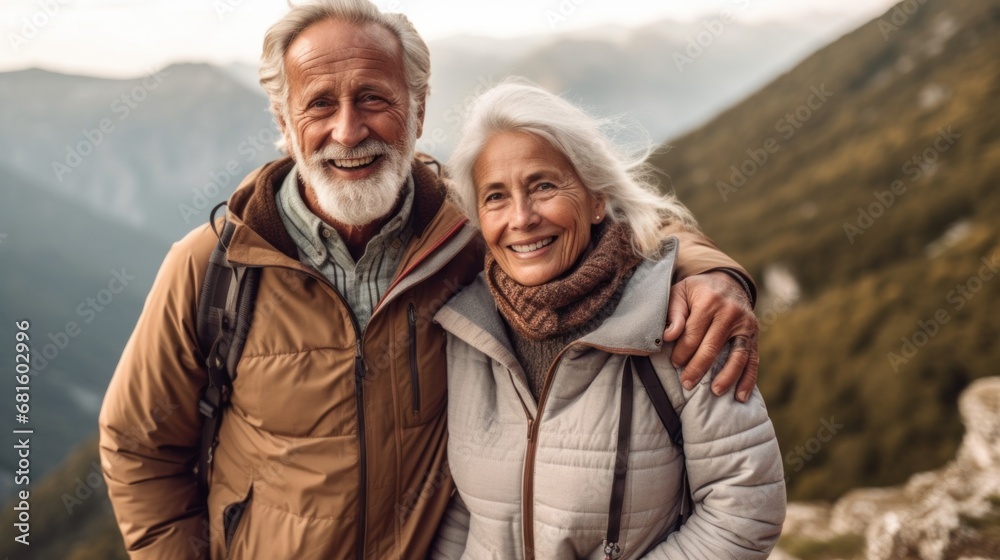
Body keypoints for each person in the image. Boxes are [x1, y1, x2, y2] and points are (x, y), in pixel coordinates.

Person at [98, 1, 762, 558]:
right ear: (283, 122)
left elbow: (608, 224)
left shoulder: (474, 238)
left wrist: (712, 273)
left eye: (374, 99)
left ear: (419, 107)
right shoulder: (214, 267)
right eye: (320, 103)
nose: (348, 129)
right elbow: (137, 445)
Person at [431, 82, 785, 559]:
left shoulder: (681, 318)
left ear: (597, 198)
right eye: (496, 196)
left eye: (543, 186)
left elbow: (745, 512)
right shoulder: (469, 329)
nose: (521, 217)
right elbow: (465, 511)